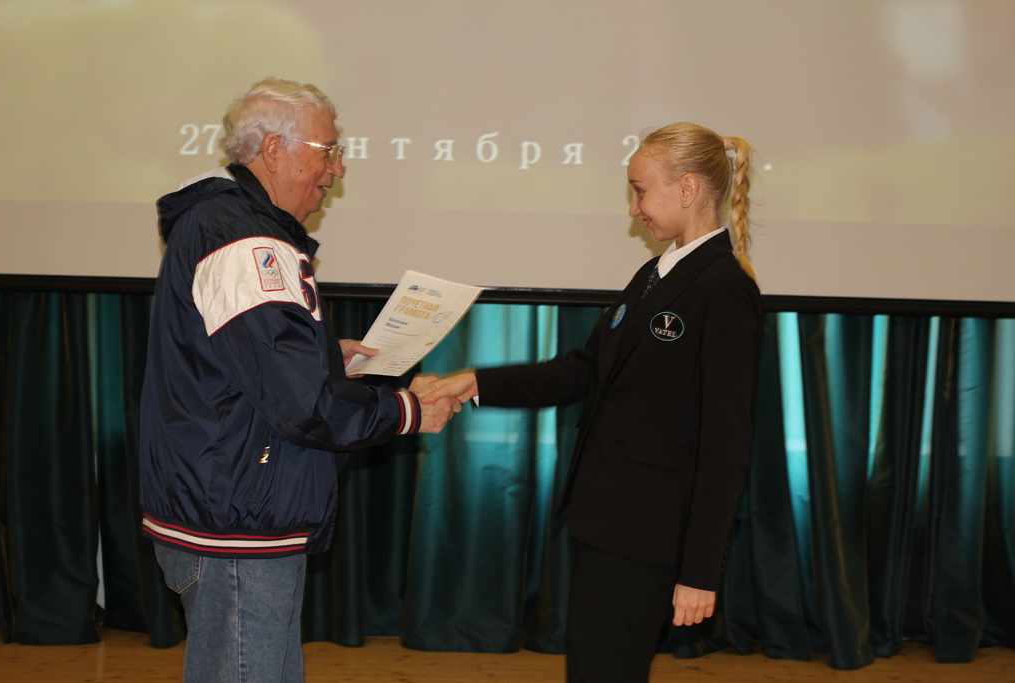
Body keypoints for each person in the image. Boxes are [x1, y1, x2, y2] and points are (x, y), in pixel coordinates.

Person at [416, 122, 763, 683]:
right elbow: (583, 371)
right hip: (606, 523)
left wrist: (700, 570)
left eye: (641, 191)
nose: (633, 208)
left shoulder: (724, 287)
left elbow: (727, 444)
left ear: (688, 188)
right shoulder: (655, 273)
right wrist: (474, 381)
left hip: (648, 536)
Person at [139, 77, 457, 683]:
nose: (337, 169)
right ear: (273, 150)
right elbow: (301, 403)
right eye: (328, 150)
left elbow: (239, 359)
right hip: (235, 518)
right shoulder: (244, 240)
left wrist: (322, 355)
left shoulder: (228, 223)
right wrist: (408, 410)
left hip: (232, 504)